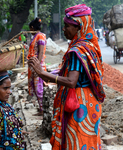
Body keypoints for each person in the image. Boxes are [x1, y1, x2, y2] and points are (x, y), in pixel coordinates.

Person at [28, 4, 105, 150]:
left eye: (67, 26)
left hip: (78, 104)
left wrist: (43, 73)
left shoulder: (77, 51)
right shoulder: (89, 45)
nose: (64, 29)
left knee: (76, 141)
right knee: (88, 142)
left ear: (79, 27)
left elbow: (71, 81)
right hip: (91, 102)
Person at [27, 17, 47, 116]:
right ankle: (40, 109)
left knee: (39, 88)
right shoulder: (36, 36)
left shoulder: (40, 36)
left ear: (31, 27)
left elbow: (41, 51)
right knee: (36, 88)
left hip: (37, 66)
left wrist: (37, 66)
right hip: (34, 66)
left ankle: (43, 110)